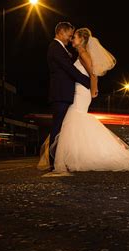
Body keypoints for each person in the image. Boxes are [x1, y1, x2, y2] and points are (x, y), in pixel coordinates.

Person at [39, 28, 129, 172]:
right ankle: (75, 157)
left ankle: (70, 159)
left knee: (73, 120)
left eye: (74, 37)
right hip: (79, 91)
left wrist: (93, 89)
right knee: (73, 123)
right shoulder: (80, 54)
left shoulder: (83, 54)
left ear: (82, 40)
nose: (71, 40)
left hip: (81, 92)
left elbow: (93, 74)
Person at [44, 22, 91, 171]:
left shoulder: (60, 48)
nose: (70, 39)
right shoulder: (55, 47)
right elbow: (69, 69)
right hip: (60, 94)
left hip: (64, 93)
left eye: (72, 36)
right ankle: (54, 161)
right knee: (57, 128)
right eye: (69, 35)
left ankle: (60, 159)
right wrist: (87, 82)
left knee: (62, 128)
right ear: (61, 32)